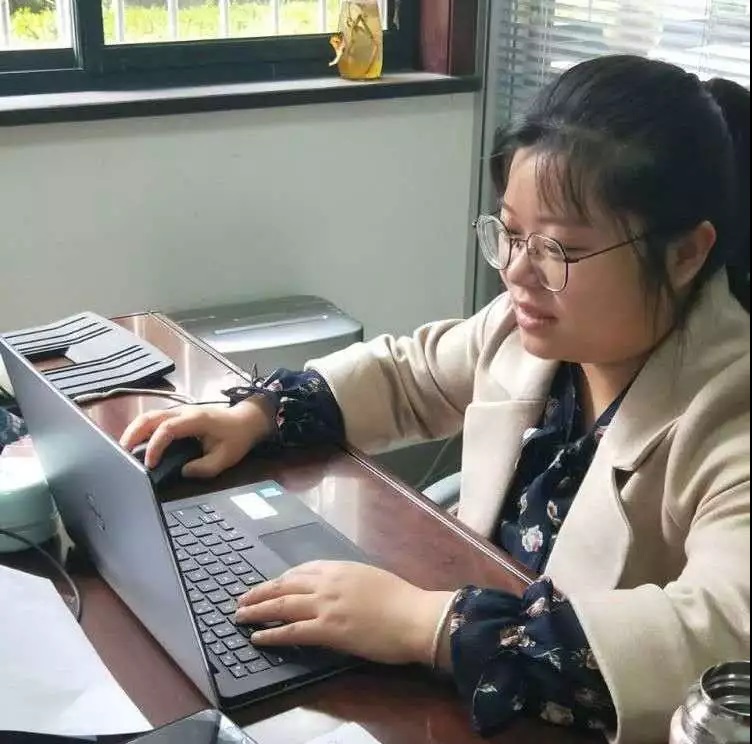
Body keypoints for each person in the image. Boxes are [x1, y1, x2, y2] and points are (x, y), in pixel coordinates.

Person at [120, 56, 751, 743]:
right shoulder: (529, 328)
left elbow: (721, 633)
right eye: (510, 234)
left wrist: (426, 623)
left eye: (559, 250)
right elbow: (408, 373)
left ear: (685, 254)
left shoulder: (730, 406)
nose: (515, 272)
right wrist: (258, 414)